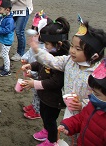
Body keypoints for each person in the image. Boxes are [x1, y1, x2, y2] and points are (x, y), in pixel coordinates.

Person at [28, 16, 106, 122]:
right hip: (70, 109)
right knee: (68, 130)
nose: (72, 51)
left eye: (78, 49)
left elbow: (100, 96)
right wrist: (37, 51)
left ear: (94, 56)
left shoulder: (99, 74)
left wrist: (83, 105)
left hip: (86, 114)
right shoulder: (69, 61)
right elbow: (52, 61)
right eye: (72, 46)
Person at [21, 17, 71, 146]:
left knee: (50, 119)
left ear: (58, 44)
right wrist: (31, 66)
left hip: (54, 99)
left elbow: (56, 82)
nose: (45, 47)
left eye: (47, 44)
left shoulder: (62, 60)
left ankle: (51, 141)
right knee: (44, 115)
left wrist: (35, 84)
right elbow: (42, 63)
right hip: (45, 95)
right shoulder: (50, 54)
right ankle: (46, 131)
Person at [58, 59, 106, 146]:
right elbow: (81, 118)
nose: (92, 96)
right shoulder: (92, 105)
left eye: (97, 94)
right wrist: (68, 125)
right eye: (92, 91)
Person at [22, 11, 51, 120]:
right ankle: (34, 106)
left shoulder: (45, 48)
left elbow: (43, 64)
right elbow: (30, 51)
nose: (34, 33)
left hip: (38, 75)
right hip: (31, 70)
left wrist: (32, 72)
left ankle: (37, 111)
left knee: (39, 93)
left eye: (36, 31)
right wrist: (24, 57)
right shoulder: (35, 41)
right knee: (35, 92)